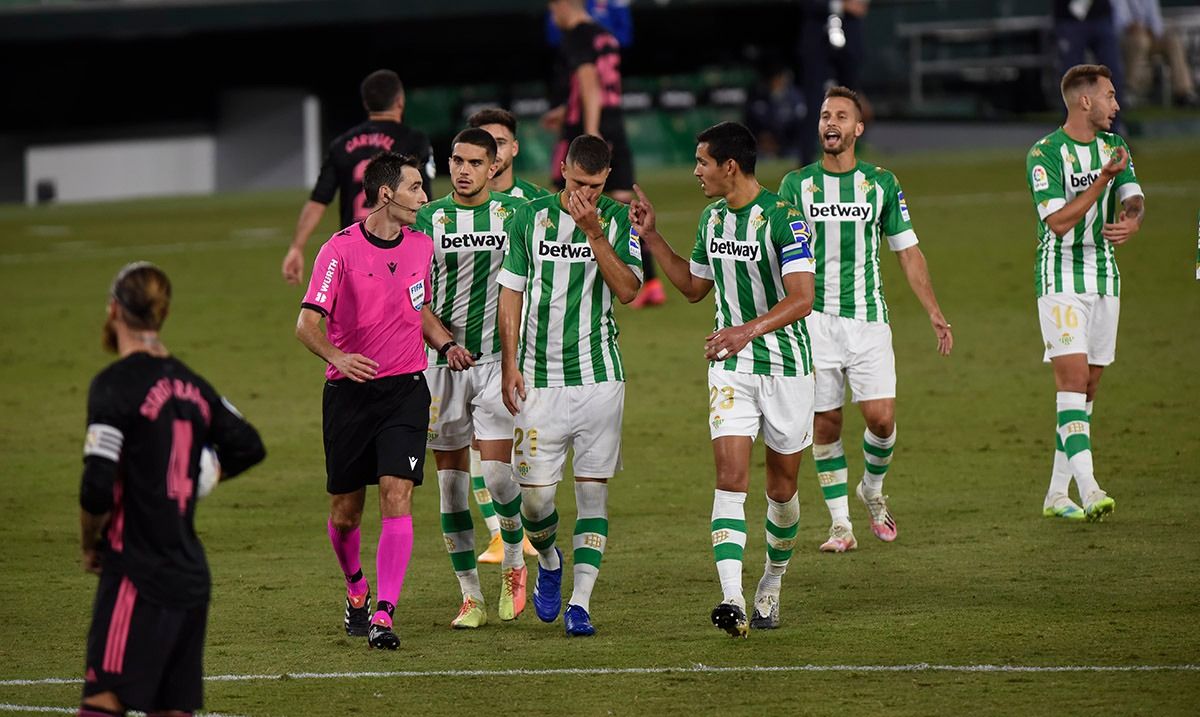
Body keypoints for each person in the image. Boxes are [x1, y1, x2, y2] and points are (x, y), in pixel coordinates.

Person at [630, 121, 817, 636]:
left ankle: (771, 583)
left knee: (782, 490)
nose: (696, 172)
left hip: (786, 369)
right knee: (730, 478)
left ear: (729, 166)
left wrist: (746, 331)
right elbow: (693, 287)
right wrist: (652, 236)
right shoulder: (713, 220)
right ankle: (732, 599)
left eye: (702, 162)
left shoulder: (784, 218)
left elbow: (803, 297)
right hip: (731, 367)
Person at [296, 152, 475, 650]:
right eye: (416, 188)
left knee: (398, 494)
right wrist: (338, 356)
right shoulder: (338, 251)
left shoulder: (421, 247)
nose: (425, 197)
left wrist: (446, 344)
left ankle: (384, 613)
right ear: (386, 195)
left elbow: (417, 309)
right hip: (349, 396)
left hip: (405, 391)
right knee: (346, 512)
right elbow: (306, 324)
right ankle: (356, 588)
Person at [78, 262, 265, 717]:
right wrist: (204, 472)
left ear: (114, 310)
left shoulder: (113, 385)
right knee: (171, 708)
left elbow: (97, 488)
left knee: (103, 700)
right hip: (190, 576)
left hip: (135, 572)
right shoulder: (191, 384)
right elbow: (248, 444)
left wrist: (90, 544)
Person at [778, 86, 953, 553]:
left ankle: (872, 490)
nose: (829, 122)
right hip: (814, 321)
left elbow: (908, 252)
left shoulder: (881, 184)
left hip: (869, 321)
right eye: (823, 115)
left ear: (858, 128)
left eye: (840, 115)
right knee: (826, 424)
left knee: (880, 419)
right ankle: (840, 524)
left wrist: (934, 311)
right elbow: (779, 255)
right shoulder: (797, 186)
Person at [497, 134, 642, 637]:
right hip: (537, 381)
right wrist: (509, 364)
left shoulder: (619, 221)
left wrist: (596, 233)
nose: (586, 194)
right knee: (535, 502)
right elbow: (511, 296)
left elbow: (628, 290)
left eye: (596, 186)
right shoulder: (528, 219)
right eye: (578, 183)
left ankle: (580, 603)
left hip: (599, 380)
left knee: (592, 495)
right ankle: (551, 559)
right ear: (563, 169)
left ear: (607, 180)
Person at [413, 128, 533, 628]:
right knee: (451, 491)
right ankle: (470, 597)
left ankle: (513, 562)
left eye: (473, 162)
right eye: (455, 161)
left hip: (494, 365)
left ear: (494, 167)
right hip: (440, 366)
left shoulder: (516, 215)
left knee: (500, 476)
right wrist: (444, 342)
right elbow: (412, 296)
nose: (463, 170)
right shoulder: (426, 218)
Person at [1025, 63, 1143, 521]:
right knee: (1072, 382)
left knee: (1088, 388)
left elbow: (1134, 195)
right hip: (1060, 278)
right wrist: (1101, 181)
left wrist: (1132, 217)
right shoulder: (1045, 154)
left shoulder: (1116, 147)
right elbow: (1057, 222)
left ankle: (1057, 493)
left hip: (1105, 278)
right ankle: (1090, 488)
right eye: (1110, 96)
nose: (1117, 104)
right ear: (1084, 101)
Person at [545, 0, 665, 308]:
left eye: (552, 8)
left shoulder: (576, 35)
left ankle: (564, 281)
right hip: (616, 124)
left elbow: (589, 80)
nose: (552, 14)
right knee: (626, 203)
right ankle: (650, 282)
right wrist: (565, 110)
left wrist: (590, 130)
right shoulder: (604, 34)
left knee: (562, 202)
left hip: (589, 128)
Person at [281, 69, 435, 285]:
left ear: (366, 103)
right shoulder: (413, 140)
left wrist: (297, 248)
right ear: (400, 101)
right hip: (399, 248)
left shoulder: (341, 144)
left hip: (352, 252)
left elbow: (318, 200)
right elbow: (426, 201)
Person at [798, 0, 868, 166]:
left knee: (851, 99)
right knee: (813, 101)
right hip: (817, 32)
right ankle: (807, 158)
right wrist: (841, 6)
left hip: (850, 31)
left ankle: (852, 153)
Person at [1113, 0, 1199, 107]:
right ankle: (1130, 90)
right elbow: (1119, 21)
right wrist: (1134, 28)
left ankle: (1184, 92)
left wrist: (1152, 30)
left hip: (1147, 37)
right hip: (1125, 39)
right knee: (1140, 41)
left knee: (1173, 41)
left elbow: (1156, 22)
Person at [1054, 1, 1127, 127]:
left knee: (1111, 73)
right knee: (1071, 77)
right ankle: (1073, 130)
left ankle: (1113, 129)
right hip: (1068, 17)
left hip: (1100, 16)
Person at [468, 108, 553, 201]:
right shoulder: (454, 206)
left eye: (500, 143)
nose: (493, 151)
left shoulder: (541, 200)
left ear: (514, 148)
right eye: (483, 143)